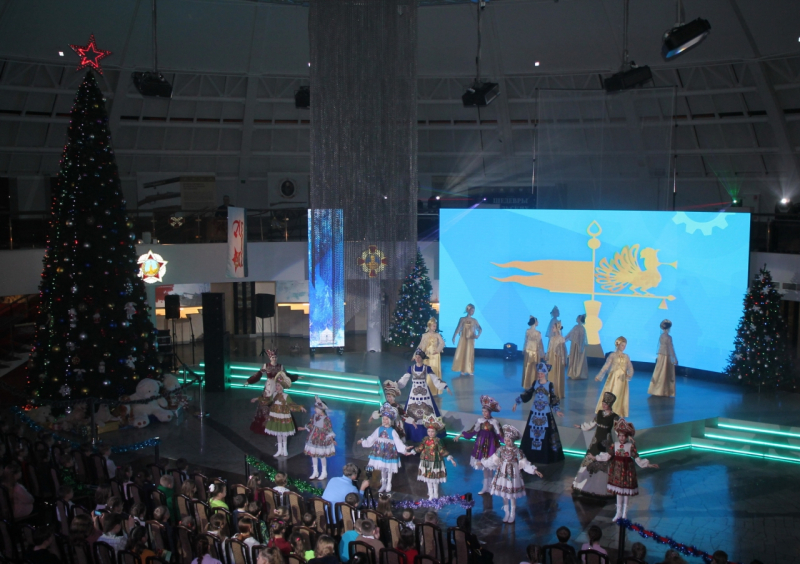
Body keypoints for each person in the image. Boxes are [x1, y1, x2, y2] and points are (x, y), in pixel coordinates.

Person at [594, 419, 659, 521]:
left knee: (626, 492)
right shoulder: (614, 445)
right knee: (619, 492)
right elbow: (607, 456)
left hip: (627, 470)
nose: (622, 438)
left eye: (624, 436)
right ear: (618, 436)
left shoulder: (630, 446)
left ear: (627, 436)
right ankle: (618, 512)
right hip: (617, 471)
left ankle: (625, 513)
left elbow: (637, 458)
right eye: (620, 436)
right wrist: (595, 457)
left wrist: (649, 465)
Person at [483, 425, 543, 523]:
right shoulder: (501, 449)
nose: (507, 442)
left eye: (508, 441)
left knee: (511, 495)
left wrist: (534, 470)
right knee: (504, 494)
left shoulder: (517, 451)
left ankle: (512, 513)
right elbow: (493, 459)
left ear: (512, 441)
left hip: (512, 474)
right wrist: (483, 462)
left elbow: (524, 463)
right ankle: (506, 512)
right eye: (505, 440)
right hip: (502, 473)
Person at [513, 362, 565, 464]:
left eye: (541, 373)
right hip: (535, 412)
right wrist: (517, 402)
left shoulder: (550, 385)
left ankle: (545, 456)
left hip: (545, 412)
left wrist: (557, 410)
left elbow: (553, 398)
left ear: (545, 373)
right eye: (538, 373)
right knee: (531, 433)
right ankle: (531, 455)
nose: (540, 375)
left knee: (546, 434)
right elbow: (528, 394)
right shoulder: (535, 383)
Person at [572, 391, 620, 498]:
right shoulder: (599, 413)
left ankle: (601, 488)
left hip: (606, 442)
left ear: (610, 404)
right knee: (590, 458)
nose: (603, 405)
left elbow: (618, 429)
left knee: (604, 460)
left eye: (606, 404)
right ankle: (583, 485)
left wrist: (625, 436)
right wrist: (581, 426)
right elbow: (592, 424)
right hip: (596, 441)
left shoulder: (615, 417)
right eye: (603, 403)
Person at [397, 350, 452, 442]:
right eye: (416, 357)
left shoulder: (427, 368)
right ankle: (411, 434)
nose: (417, 359)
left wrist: (445, 386)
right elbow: (404, 379)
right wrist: (396, 385)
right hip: (414, 393)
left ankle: (429, 434)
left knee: (428, 411)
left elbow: (435, 379)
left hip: (424, 393)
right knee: (411, 412)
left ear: (422, 358)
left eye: (419, 357)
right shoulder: (411, 368)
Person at [455, 395, 504, 495]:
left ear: (490, 412)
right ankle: (485, 487)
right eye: (483, 411)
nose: (484, 413)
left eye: (486, 411)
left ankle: (491, 486)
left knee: (490, 466)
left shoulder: (494, 422)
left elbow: (500, 434)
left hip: (491, 446)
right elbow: (473, 431)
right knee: (484, 466)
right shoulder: (479, 421)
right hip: (481, 446)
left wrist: (507, 442)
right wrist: (461, 435)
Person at [358, 403, 411, 493]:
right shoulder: (379, 429)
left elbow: (398, 441)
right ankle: (383, 483)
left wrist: (404, 449)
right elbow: (372, 438)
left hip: (389, 452)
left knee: (389, 468)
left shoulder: (392, 431)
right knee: (383, 468)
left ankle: (389, 483)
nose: (385, 421)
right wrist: (363, 441)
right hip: (380, 452)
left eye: (386, 419)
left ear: (389, 420)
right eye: (383, 419)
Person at [248, 351, 298, 434]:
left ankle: (279, 426)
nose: (274, 359)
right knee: (265, 404)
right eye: (272, 357)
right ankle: (265, 426)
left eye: (275, 357)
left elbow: (286, 376)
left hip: (277, 386)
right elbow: (258, 374)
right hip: (268, 387)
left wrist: (295, 377)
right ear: (270, 358)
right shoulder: (266, 365)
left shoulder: (280, 366)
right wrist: (249, 381)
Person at [408, 415, 456, 499]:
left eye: (432, 431)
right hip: (426, 461)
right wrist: (411, 452)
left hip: (435, 461)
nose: (430, 433)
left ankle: (436, 494)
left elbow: (442, 450)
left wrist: (450, 458)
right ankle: (431, 494)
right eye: (429, 431)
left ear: (435, 432)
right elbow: (420, 447)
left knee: (435, 479)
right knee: (428, 478)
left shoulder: (438, 440)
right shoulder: (425, 439)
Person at [258, 373, 306, 457]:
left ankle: (284, 449)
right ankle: (279, 449)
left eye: (278, 385)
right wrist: (259, 399)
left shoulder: (286, 396)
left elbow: (291, 404)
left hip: (283, 416)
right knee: (278, 433)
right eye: (276, 385)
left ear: (282, 387)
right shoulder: (274, 395)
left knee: (284, 433)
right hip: (275, 415)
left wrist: (300, 407)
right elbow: (268, 400)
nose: (277, 387)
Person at [595, 336, 634, 417]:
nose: (624, 347)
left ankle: (618, 410)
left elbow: (630, 367)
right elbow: (606, 366)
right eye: (622, 345)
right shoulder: (613, 355)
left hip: (622, 380)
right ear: (618, 345)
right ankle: (609, 409)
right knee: (612, 393)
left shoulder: (626, 356)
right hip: (613, 379)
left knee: (620, 394)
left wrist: (629, 374)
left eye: (625, 345)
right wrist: (599, 376)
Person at [303, 396, 336, 480]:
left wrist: (332, 440)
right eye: (315, 408)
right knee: (313, 455)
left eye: (317, 408)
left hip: (321, 438)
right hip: (313, 438)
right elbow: (311, 424)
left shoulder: (326, 419)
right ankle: (315, 471)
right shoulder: (314, 416)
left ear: (322, 409)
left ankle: (324, 472)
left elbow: (328, 430)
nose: (315, 410)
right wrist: (304, 428)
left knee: (321, 456)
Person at [648, 319, 678, 397]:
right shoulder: (669, 337)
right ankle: (664, 391)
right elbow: (671, 348)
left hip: (661, 355)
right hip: (666, 356)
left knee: (658, 372)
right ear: (668, 328)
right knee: (665, 373)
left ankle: (656, 389)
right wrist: (675, 358)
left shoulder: (661, 336)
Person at [416, 317, 446, 395]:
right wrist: (417, 354)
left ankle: (434, 390)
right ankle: (427, 389)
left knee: (434, 371)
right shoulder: (425, 335)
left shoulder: (437, 335)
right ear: (429, 326)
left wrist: (438, 350)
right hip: (427, 355)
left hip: (435, 356)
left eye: (435, 326)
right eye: (433, 326)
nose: (435, 327)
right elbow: (420, 345)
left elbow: (442, 343)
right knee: (427, 371)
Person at [451, 303, 482, 376]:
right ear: (468, 310)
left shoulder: (474, 320)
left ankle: (469, 369)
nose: (472, 312)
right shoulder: (462, 319)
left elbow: (480, 329)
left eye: (473, 311)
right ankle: (462, 369)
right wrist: (454, 337)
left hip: (470, 339)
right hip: (463, 338)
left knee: (469, 353)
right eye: (471, 310)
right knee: (462, 352)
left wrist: (478, 335)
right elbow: (458, 328)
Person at [546, 320, 567, 400]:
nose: (552, 328)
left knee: (557, 374)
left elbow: (563, 351)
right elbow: (549, 349)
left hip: (557, 359)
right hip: (552, 358)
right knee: (551, 373)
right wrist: (547, 356)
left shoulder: (561, 339)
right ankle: (551, 391)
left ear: (557, 328)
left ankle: (557, 391)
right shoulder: (552, 338)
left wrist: (563, 360)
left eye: (553, 327)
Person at [521, 316, 544, 388]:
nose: (538, 322)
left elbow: (526, 341)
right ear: (535, 322)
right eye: (537, 321)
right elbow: (540, 344)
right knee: (534, 369)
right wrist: (542, 354)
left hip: (528, 352)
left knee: (527, 367)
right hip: (534, 352)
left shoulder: (527, 331)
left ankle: (526, 384)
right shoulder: (538, 333)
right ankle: (533, 385)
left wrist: (524, 349)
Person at [565, 314, 589, 380]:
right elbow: (570, 334)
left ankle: (577, 373)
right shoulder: (575, 327)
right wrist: (564, 339)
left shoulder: (582, 328)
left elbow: (582, 338)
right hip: (574, 345)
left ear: (579, 319)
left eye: (578, 318)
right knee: (573, 358)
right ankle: (572, 372)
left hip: (578, 346)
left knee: (578, 359)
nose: (577, 319)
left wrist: (580, 347)